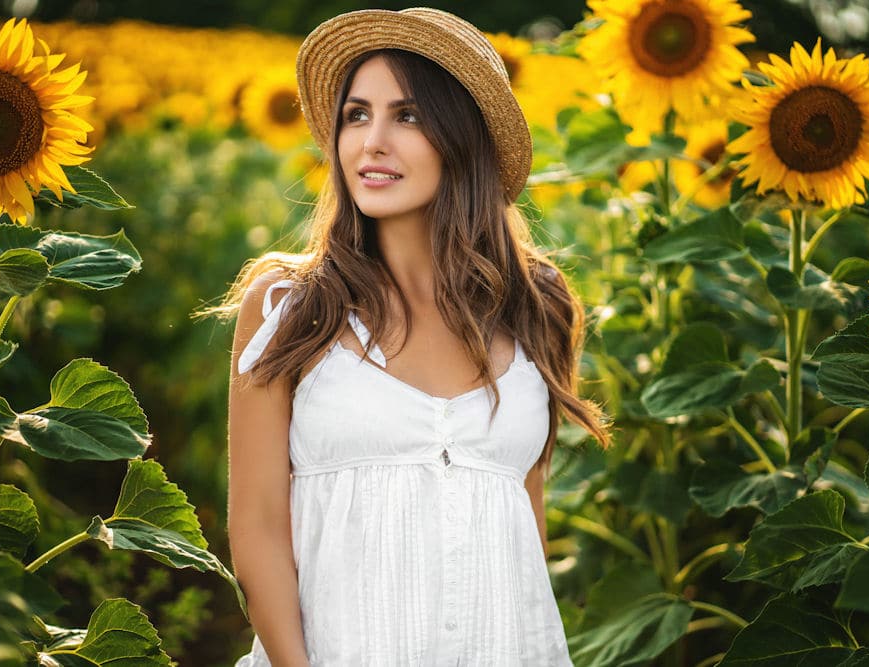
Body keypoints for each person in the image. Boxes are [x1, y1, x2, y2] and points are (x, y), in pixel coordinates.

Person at [224, 8, 609, 666]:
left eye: (406, 115)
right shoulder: (290, 307)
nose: (372, 142)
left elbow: (524, 528)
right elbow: (257, 528)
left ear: (461, 139)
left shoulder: (533, 310)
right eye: (356, 115)